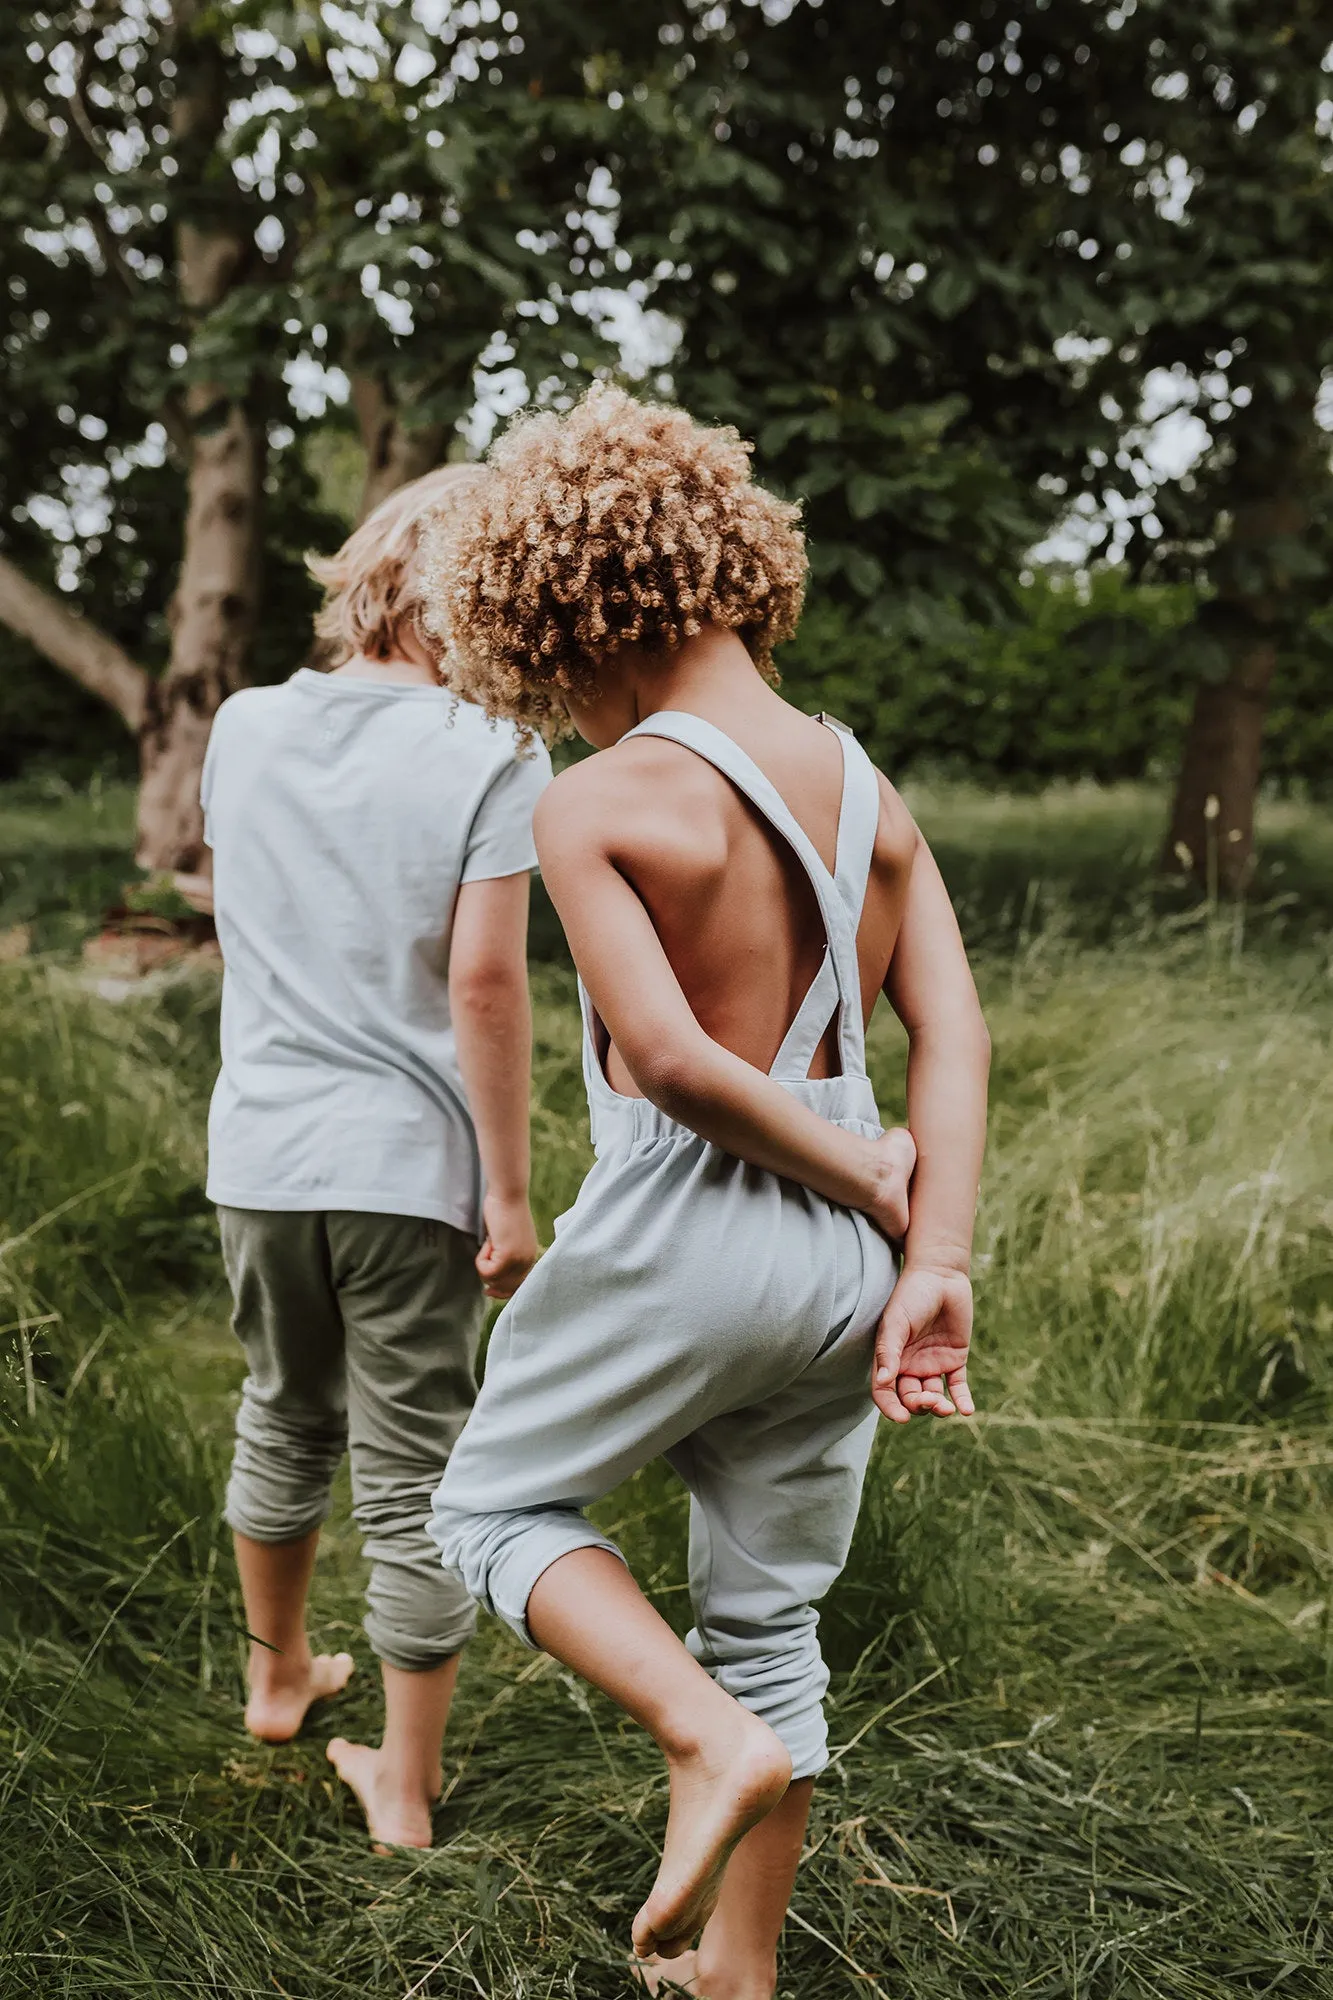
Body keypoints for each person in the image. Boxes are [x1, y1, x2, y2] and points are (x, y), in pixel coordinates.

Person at [420, 388, 991, 1998]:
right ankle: (737, 1976)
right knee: (769, 1615)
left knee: (487, 1508)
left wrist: (845, 1164)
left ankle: (699, 1735)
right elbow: (954, 1028)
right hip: (852, 1276)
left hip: (694, 1227)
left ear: (560, 618)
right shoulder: (873, 794)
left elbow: (668, 1065)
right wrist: (924, 1238)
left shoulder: (596, 800)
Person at [200, 464, 551, 1850]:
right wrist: (510, 1198)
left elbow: (249, 929)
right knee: (414, 1465)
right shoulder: (496, 753)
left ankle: (279, 1678)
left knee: (282, 1408)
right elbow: (486, 985)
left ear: (370, 576)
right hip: (409, 1167)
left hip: (262, 1152)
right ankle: (402, 1787)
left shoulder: (244, 725)